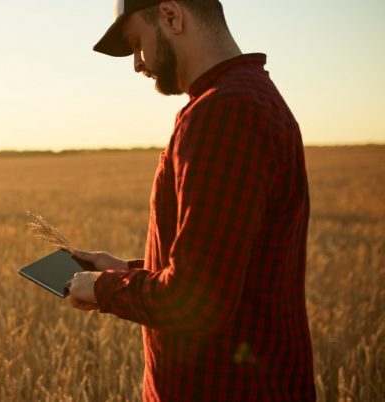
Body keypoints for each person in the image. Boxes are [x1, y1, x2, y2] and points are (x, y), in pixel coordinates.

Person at [65, 0, 316, 400]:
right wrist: (124, 270)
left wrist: (104, 289)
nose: (137, 63)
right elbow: (225, 267)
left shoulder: (222, 112)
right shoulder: (247, 95)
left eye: (136, 43)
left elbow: (199, 300)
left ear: (171, 16)